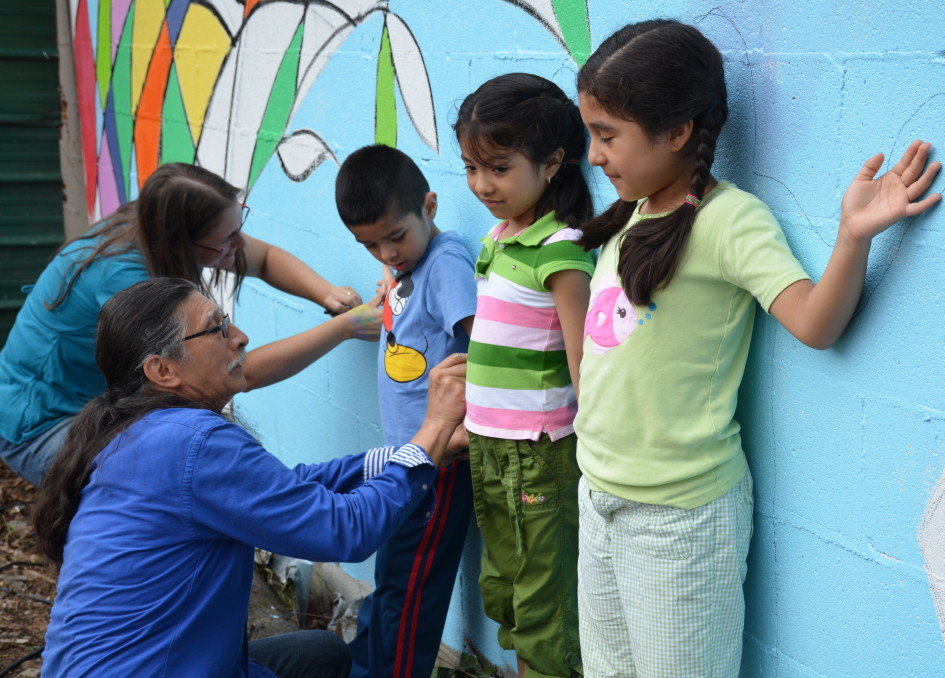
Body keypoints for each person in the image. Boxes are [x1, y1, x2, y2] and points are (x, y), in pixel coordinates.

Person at [571, 20, 942, 678]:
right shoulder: (633, 214)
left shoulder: (728, 221)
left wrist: (852, 238)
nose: (595, 156)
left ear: (678, 132)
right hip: (598, 496)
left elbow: (814, 324)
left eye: (607, 136)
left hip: (677, 522)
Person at [32, 277, 468, 678]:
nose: (240, 337)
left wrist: (409, 455)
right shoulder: (189, 442)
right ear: (163, 370)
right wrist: (431, 432)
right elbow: (343, 530)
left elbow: (288, 486)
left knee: (321, 654)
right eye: (217, 328)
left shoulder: (136, 434)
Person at [0, 163, 381, 487]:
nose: (238, 244)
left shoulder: (158, 223)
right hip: (43, 424)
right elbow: (231, 372)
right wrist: (346, 327)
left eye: (239, 226)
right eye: (225, 239)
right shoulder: (127, 281)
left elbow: (262, 259)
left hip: (86, 403)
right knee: (164, 480)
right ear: (182, 241)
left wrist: (326, 294)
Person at [454, 73, 595, 678]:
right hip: (489, 448)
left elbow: (583, 360)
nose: (482, 185)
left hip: (538, 456)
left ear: (554, 162)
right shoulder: (500, 235)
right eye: (471, 167)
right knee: (506, 587)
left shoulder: (560, 248)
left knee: (545, 600)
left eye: (499, 168)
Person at [334, 145, 478, 678]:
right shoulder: (408, 265)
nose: (387, 253)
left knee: (411, 585)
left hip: (437, 462)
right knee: (392, 574)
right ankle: (366, 666)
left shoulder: (444, 262)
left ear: (430, 206)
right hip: (404, 455)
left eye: (396, 237)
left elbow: (478, 345)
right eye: (370, 245)